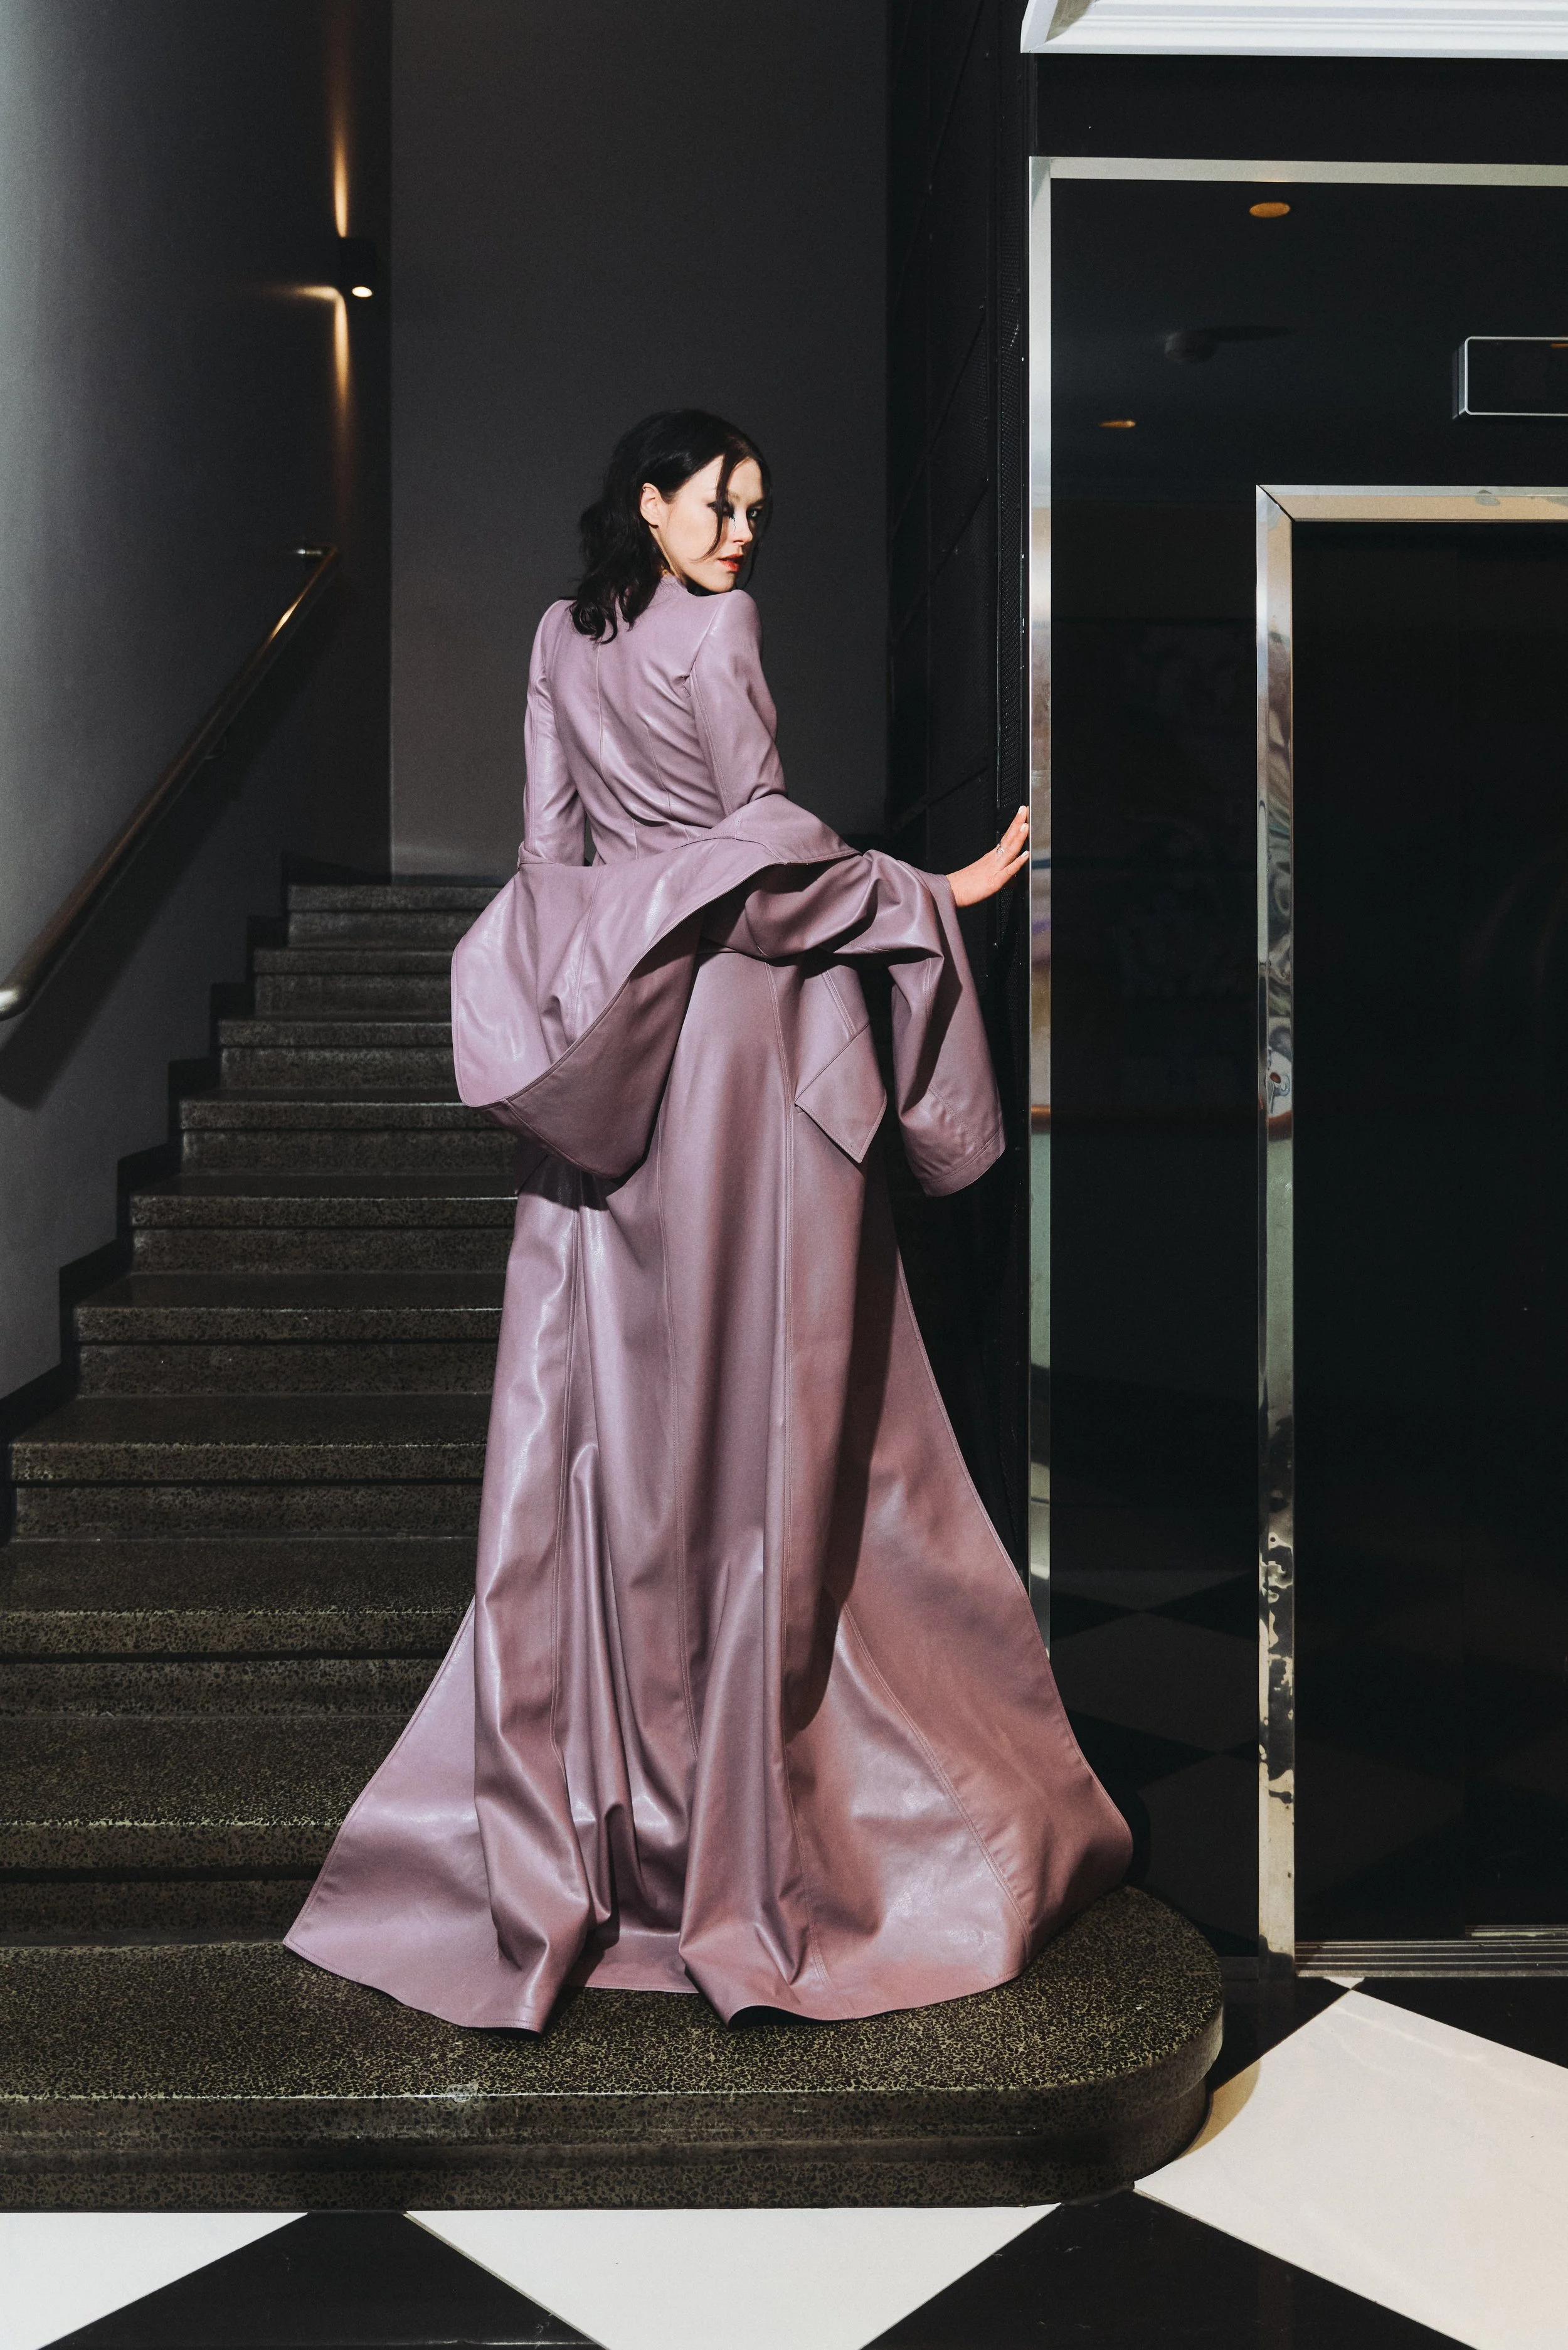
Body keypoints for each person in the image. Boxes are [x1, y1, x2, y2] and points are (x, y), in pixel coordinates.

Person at [285, 410, 1130, 2032]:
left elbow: (549, 859)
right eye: (717, 503)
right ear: (650, 505)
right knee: (781, 1401)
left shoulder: (558, 633)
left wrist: (575, 1020)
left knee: (607, 1418)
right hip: (740, 1045)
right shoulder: (717, 632)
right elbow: (759, 854)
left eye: (754, 508)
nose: (742, 533)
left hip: (625, 1050)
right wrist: (917, 892)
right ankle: (748, 1832)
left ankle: (589, 1827)